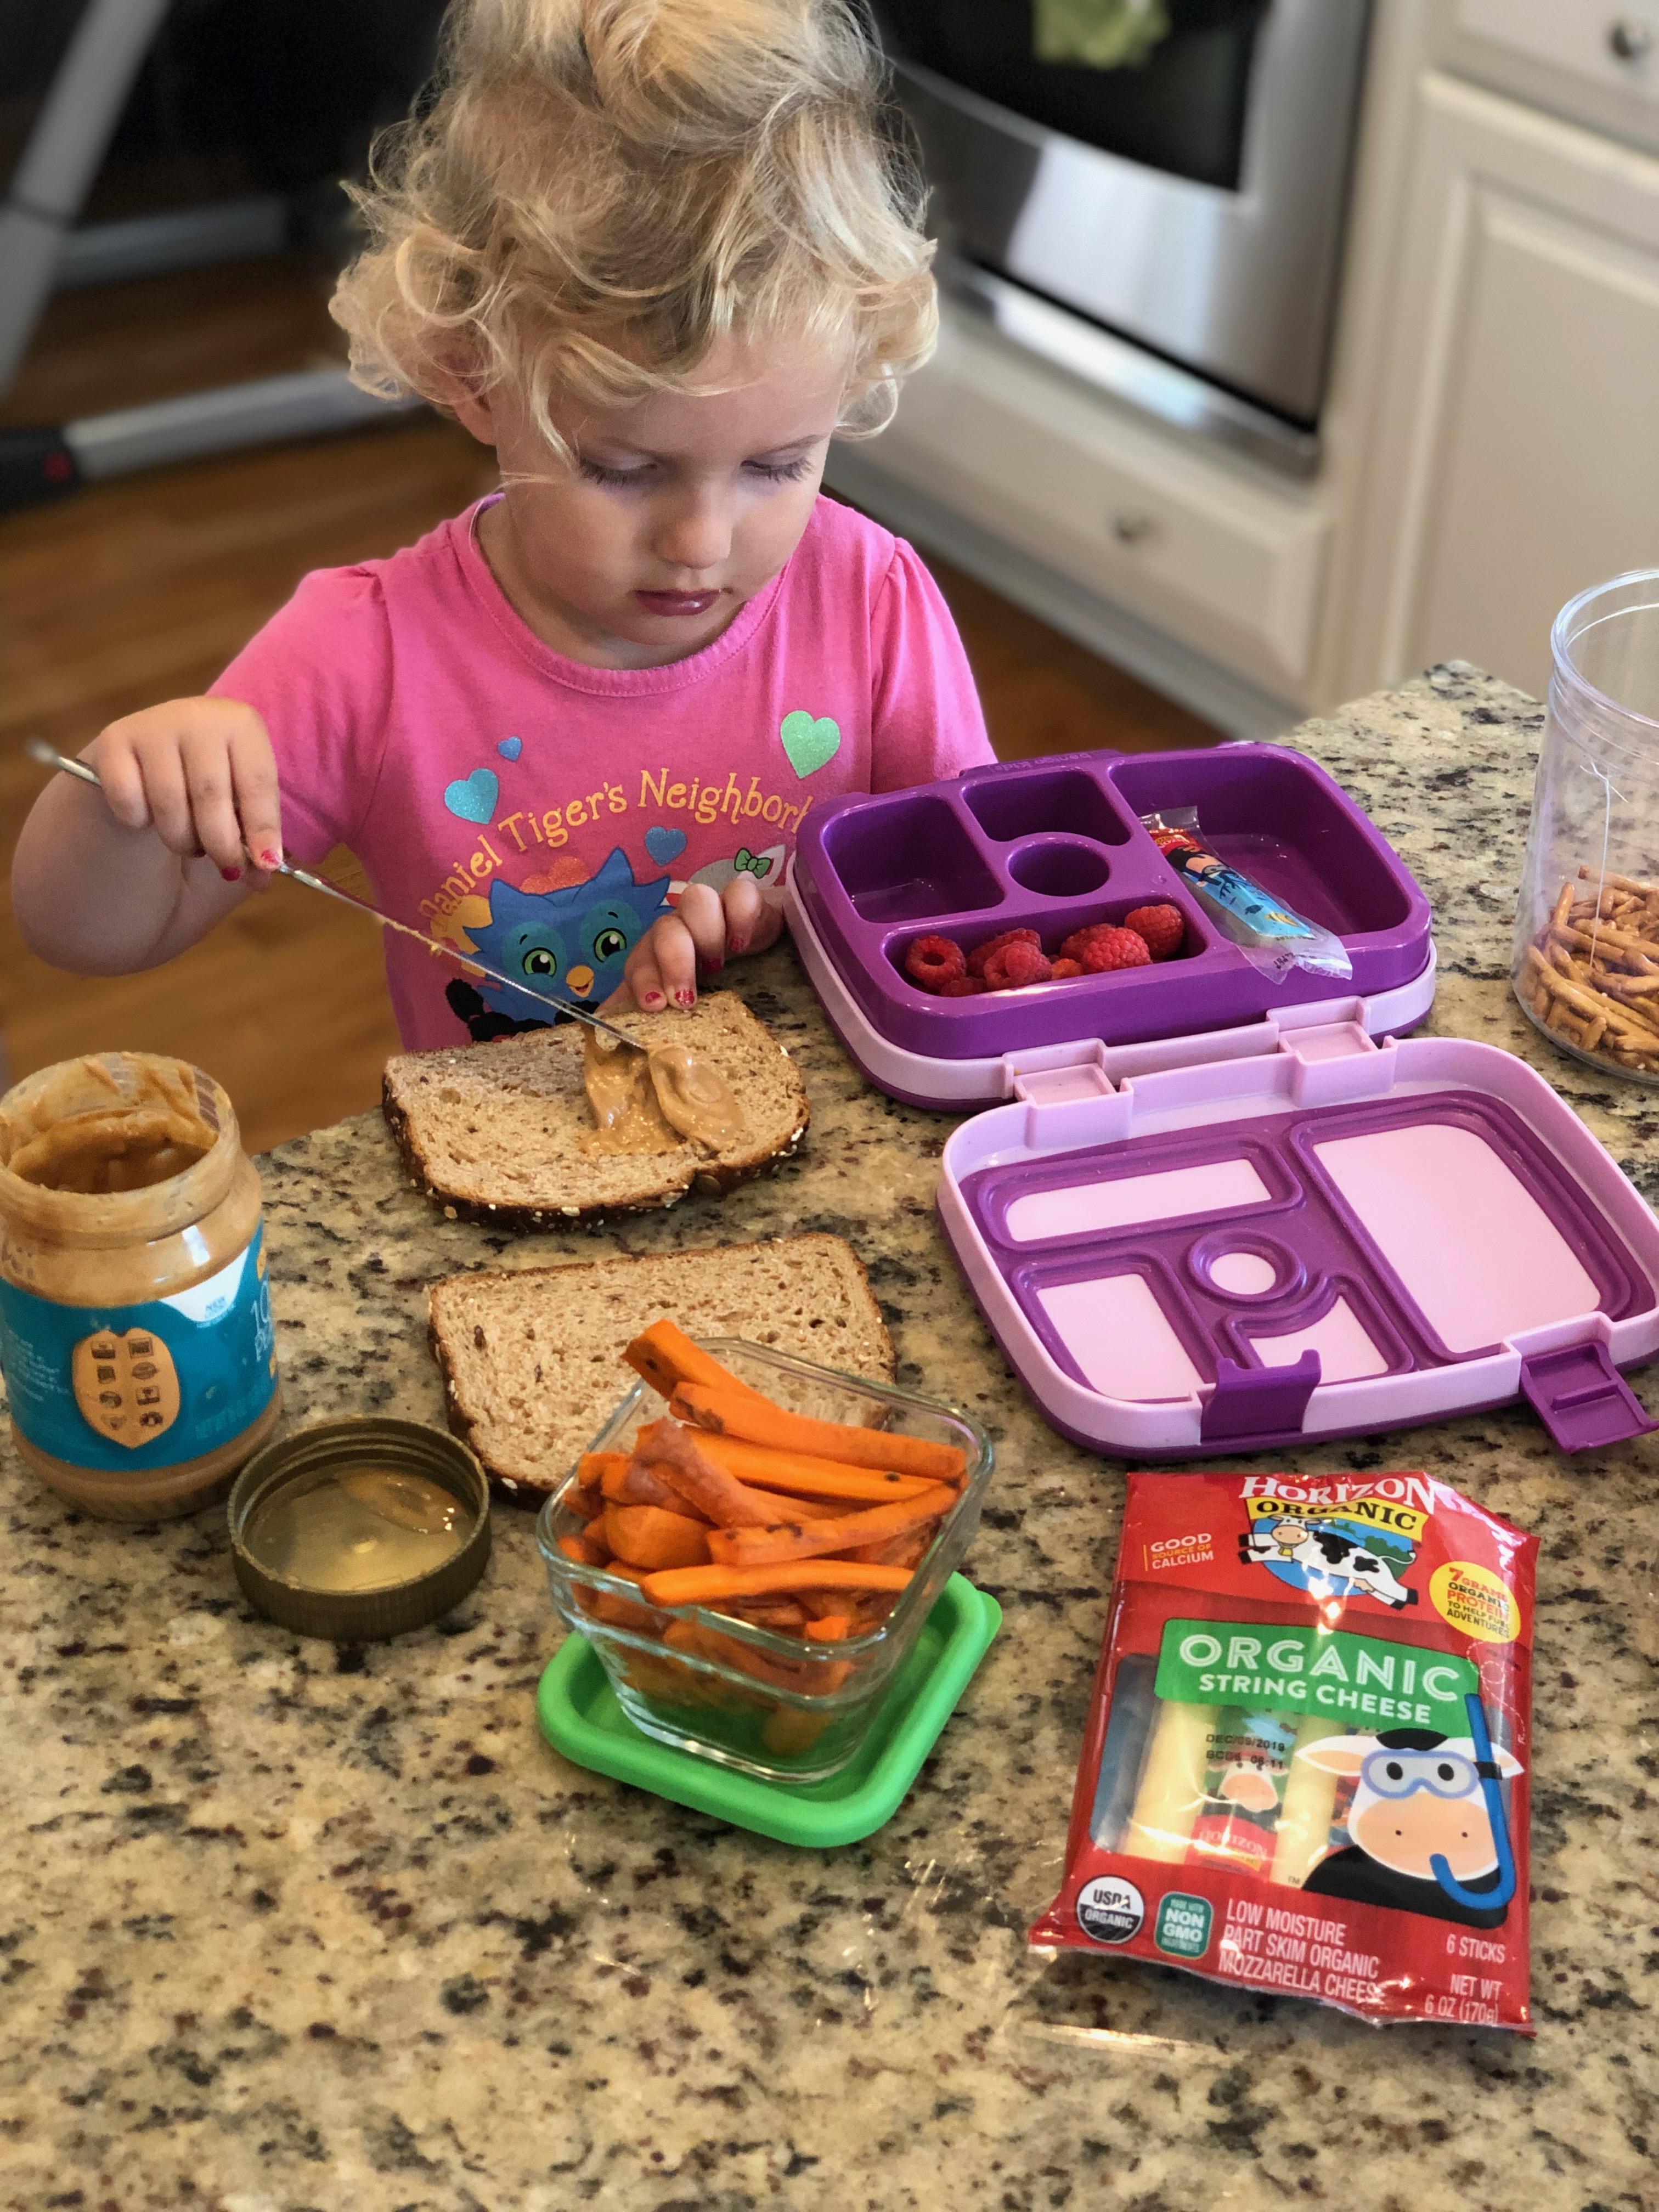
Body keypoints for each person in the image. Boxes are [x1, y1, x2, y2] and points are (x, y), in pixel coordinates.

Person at [12, 0, 993, 1049]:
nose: (700, 541)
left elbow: (977, 914)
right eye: (622, 470)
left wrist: (800, 933)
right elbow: (90, 935)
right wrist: (126, 798)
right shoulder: (366, 657)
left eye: (777, 464)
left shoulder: (870, 600)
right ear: (470, 375)